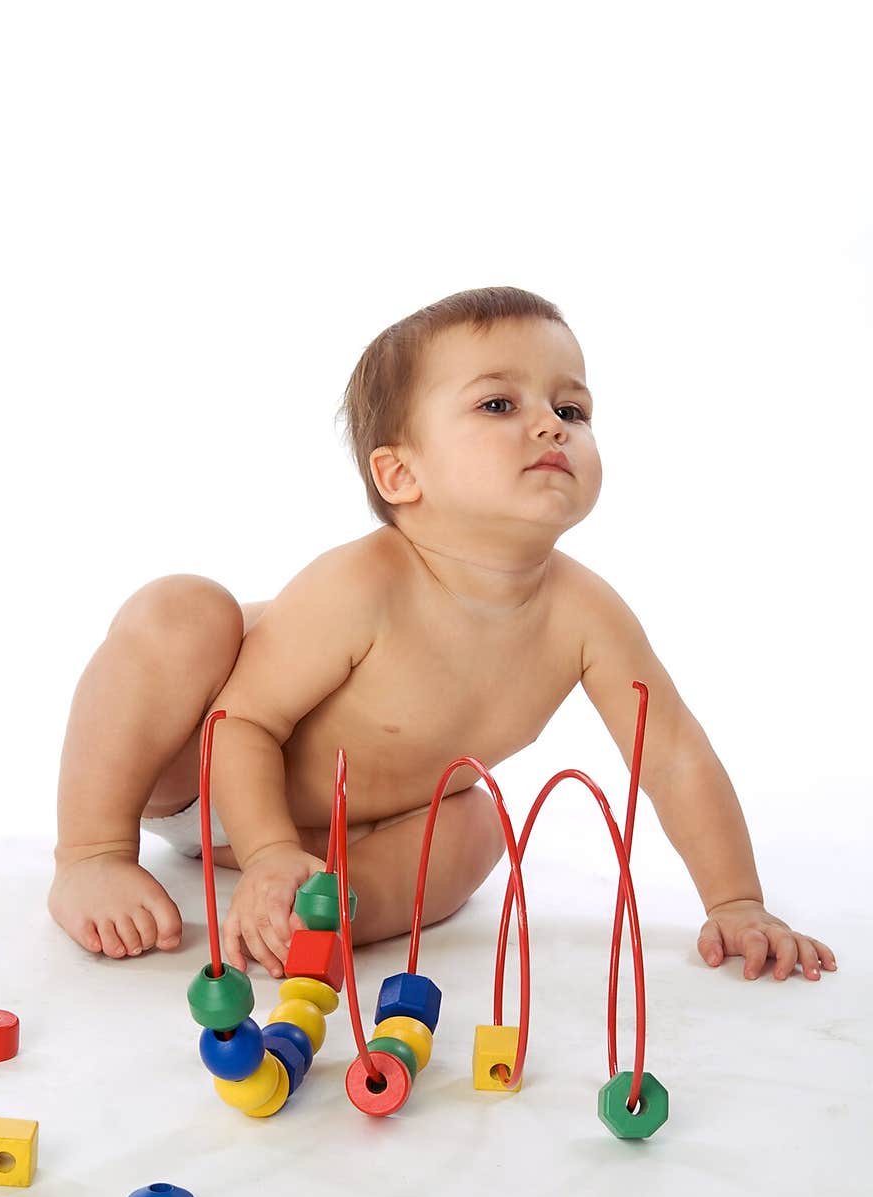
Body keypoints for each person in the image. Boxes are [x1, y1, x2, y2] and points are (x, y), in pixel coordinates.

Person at [47, 285, 837, 984]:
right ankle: (90, 852)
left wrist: (737, 901)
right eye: (500, 405)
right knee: (182, 609)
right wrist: (265, 851)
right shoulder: (367, 582)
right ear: (400, 476)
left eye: (572, 409)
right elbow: (242, 721)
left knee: (476, 824)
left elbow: (672, 754)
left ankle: (328, 914)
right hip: (193, 762)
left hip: (339, 833)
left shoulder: (587, 615)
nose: (549, 427)